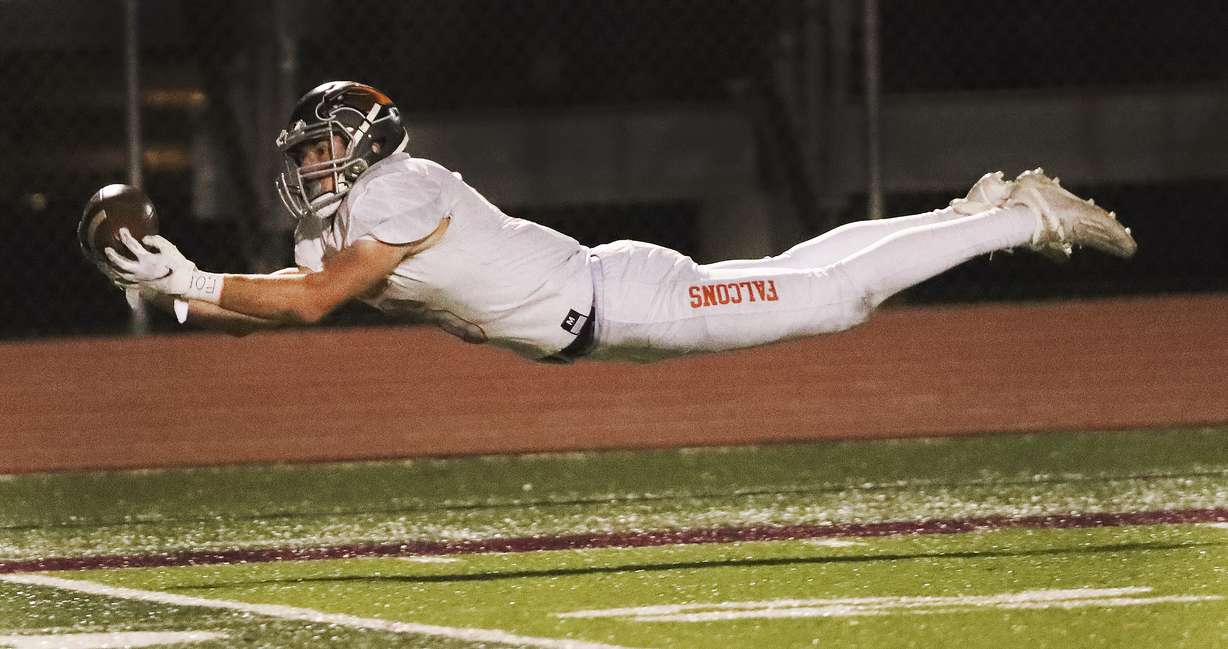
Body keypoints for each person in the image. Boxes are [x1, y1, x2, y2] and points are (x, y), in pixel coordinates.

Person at [103, 81, 1137, 363]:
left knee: (834, 300)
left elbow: (314, 303)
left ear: (367, 145)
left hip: (622, 302)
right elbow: (281, 301)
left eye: (321, 149)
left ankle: (1014, 221)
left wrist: (189, 280)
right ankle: (966, 214)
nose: (309, 167)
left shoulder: (396, 190)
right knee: (804, 270)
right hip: (604, 304)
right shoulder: (334, 227)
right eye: (304, 156)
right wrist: (172, 290)